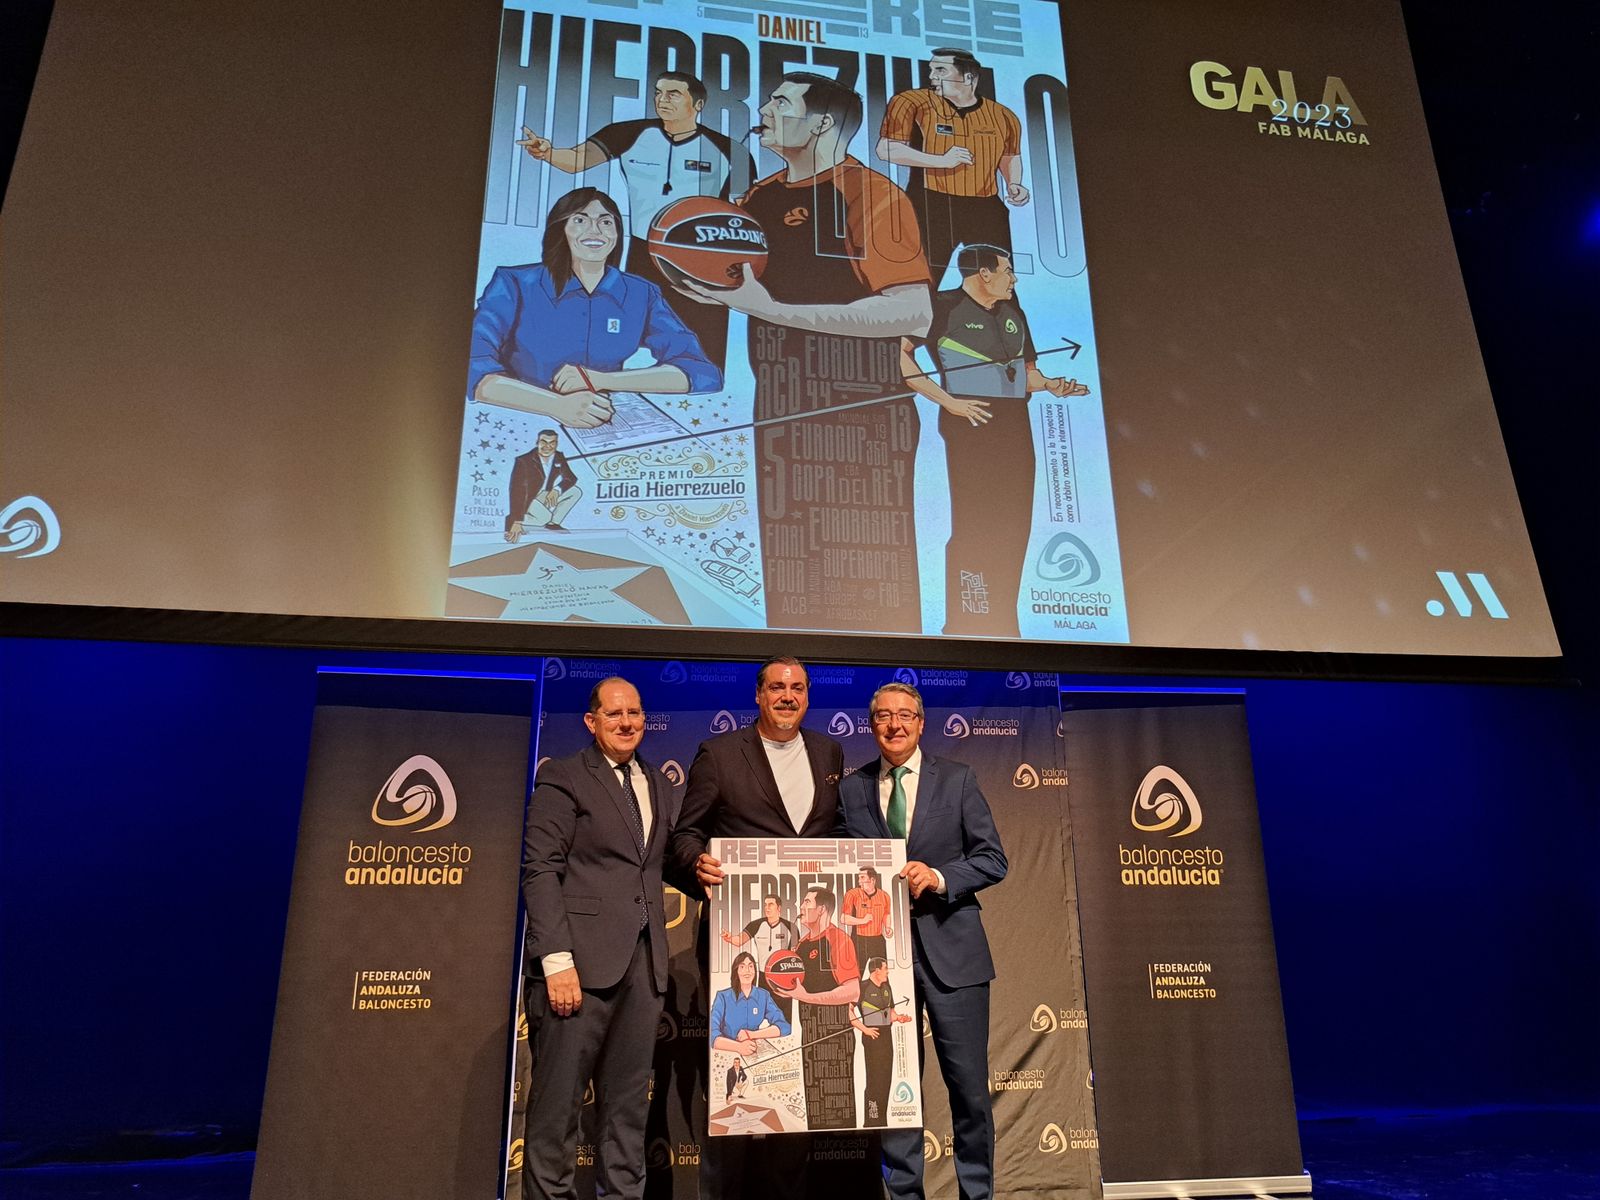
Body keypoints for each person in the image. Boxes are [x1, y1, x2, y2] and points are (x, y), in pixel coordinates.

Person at [676, 73, 933, 633]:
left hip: (863, 416)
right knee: (791, 579)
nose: (763, 108)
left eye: (780, 101)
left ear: (821, 122)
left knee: (872, 583)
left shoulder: (874, 194)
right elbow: (731, 281)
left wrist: (774, 311)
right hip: (782, 408)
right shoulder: (758, 198)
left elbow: (913, 310)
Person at [670, 654, 844, 1199]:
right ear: (758, 696)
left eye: (797, 687)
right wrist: (697, 866)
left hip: (804, 953)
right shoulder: (719, 755)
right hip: (738, 958)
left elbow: (837, 834)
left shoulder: (829, 752)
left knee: (794, 1079)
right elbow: (683, 839)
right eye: (776, 687)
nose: (787, 696)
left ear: (808, 696)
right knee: (734, 1081)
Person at [839, 681, 1008, 1200]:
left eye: (905, 716)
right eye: (884, 716)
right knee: (895, 1094)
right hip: (879, 963)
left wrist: (938, 877)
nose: (894, 725)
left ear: (921, 723)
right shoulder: (851, 789)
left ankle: (976, 1194)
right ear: (872, 725)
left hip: (952, 957)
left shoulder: (957, 780)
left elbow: (992, 859)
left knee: (971, 1095)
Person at [520, 677, 679, 1200]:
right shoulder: (564, 779)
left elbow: (658, 864)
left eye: (635, 712)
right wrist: (557, 960)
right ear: (592, 722)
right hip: (578, 970)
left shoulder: (657, 782)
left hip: (644, 967)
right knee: (556, 1112)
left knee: (629, 1114)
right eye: (614, 714)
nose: (627, 722)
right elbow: (539, 869)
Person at [901, 244, 1090, 637]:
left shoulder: (1013, 312)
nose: (1014, 279)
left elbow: (1028, 374)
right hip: (972, 425)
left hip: (1015, 424)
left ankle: (1004, 623)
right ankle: (966, 621)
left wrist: (1054, 385)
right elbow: (900, 356)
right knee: (975, 523)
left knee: (1014, 522)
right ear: (983, 273)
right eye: (1008, 271)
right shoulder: (942, 306)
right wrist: (948, 401)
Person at [519, 70, 755, 368]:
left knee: (701, 346)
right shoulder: (628, 133)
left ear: (697, 104)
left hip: (701, 258)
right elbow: (578, 160)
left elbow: (744, 218)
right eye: (658, 92)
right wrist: (548, 152)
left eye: (673, 94)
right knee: (622, 337)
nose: (662, 100)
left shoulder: (733, 150)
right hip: (643, 252)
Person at [468, 187, 721, 429]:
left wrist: (601, 380)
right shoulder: (514, 284)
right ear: (561, 229)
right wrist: (555, 405)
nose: (595, 230)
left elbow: (701, 372)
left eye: (606, 222)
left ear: (617, 234)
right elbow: (471, 364)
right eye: (580, 220)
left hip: (604, 421)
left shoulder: (641, 292)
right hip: (521, 419)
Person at [876, 48, 1028, 276]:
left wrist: (1014, 183)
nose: (931, 77)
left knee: (999, 282)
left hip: (985, 208)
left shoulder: (1003, 116)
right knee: (918, 280)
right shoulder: (911, 102)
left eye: (940, 70)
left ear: (968, 77)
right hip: (931, 204)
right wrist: (941, 161)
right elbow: (886, 149)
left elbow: (1009, 156)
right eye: (931, 70)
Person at [770, 885, 859, 1130]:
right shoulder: (800, 945)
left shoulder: (838, 939)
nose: (801, 907)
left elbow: (853, 990)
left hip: (835, 1037)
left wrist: (807, 997)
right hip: (810, 1037)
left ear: (821, 909)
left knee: (838, 1114)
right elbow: (794, 986)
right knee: (816, 1114)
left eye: (806, 902)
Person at [851, 956, 912, 1128]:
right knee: (874, 1080)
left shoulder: (887, 987)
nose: (887, 972)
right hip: (872, 1037)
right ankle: (871, 1120)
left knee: (885, 1078)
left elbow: (890, 1012)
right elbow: (848, 1012)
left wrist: (899, 1017)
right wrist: (865, 1029)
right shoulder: (861, 987)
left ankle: (882, 1121)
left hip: (887, 1035)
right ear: (876, 970)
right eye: (885, 968)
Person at [721, 894, 800, 1016]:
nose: (767, 908)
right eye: (765, 905)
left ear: (779, 908)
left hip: (782, 976)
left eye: (771, 904)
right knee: (762, 1013)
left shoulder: (792, 928)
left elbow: (795, 957)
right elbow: (739, 941)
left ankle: (785, 1034)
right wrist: (730, 938)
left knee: (783, 1015)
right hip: (763, 976)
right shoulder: (756, 925)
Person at [709, 950, 791, 1055]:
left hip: (753, 1051)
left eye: (751, 966)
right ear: (736, 971)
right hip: (728, 1052)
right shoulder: (723, 997)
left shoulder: (763, 996)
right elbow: (712, 1033)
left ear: (755, 970)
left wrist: (751, 1034)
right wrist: (738, 1047)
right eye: (742, 967)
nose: (747, 971)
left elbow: (784, 1027)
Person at [505, 428, 581, 537]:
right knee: (544, 518)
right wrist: (517, 521)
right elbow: (517, 491)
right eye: (543, 442)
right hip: (528, 498)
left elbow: (571, 478)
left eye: (552, 443)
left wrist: (557, 490)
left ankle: (553, 523)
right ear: (537, 443)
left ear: (556, 444)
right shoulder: (523, 461)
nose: (547, 447)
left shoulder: (558, 456)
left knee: (575, 491)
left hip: (545, 494)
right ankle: (513, 521)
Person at [839, 864, 893, 973]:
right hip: (859, 940)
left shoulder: (885, 896)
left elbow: (887, 914)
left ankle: (884, 991)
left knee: (882, 973)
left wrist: (888, 927)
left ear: (872, 880)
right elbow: (843, 918)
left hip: (878, 941)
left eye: (862, 878)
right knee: (856, 974)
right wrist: (862, 920)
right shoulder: (852, 894)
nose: (859, 881)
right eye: (859, 878)